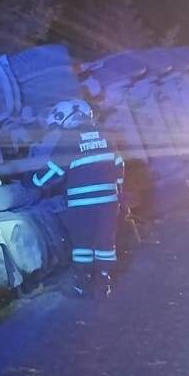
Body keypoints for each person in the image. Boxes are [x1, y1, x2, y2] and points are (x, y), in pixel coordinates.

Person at [30, 99, 123, 297]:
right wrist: (117, 191)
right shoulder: (106, 137)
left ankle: (82, 285)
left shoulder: (68, 141)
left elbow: (53, 172)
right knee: (106, 242)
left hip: (82, 205)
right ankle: (104, 282)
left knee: (83, 244)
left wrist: (34, 181)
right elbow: (119, 165)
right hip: (109, 202)